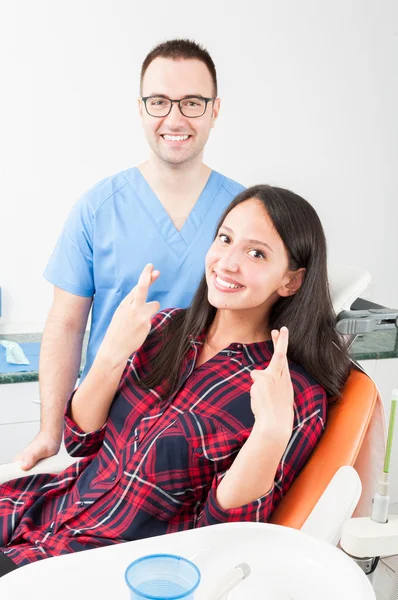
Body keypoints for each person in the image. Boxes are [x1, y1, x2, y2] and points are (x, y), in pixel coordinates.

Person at [0, 185, 351, 574]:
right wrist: (111, 353)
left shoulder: (291, 394)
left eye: (256, 253)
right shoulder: (167, 328)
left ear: (291, 281)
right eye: (225, 239)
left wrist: (268, 436)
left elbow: (223, 538)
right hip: (41, 509)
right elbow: (82, 441)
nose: (227, 262)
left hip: (102, 565)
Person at [17, 39, 245, 471]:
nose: (175, 118)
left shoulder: (246, 214)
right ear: (140, 109)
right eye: (159, 101)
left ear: (215, 110)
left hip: (206, 437)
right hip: (107, 431)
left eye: (192, 102)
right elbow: (66, 324)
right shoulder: (98, 208)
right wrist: (50, 431)